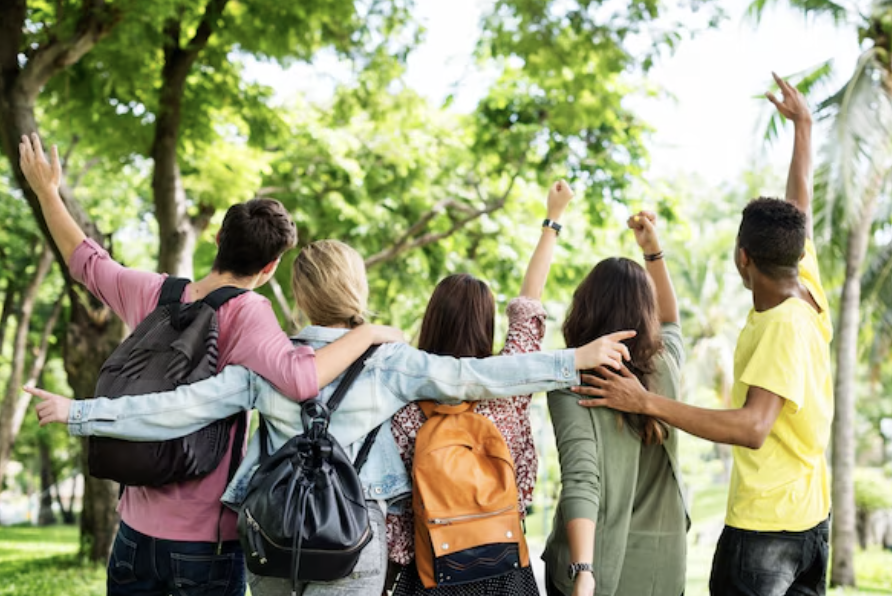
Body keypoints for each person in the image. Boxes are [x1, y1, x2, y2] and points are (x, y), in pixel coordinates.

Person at [29, 238, 636, 596]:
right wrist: (572, 360)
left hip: (271, 535)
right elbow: (477, 375)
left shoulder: (268, 362)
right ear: (357, 288)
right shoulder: (390, 362)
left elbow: (177, 409)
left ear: (298, 297)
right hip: (355, 543)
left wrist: (80, 412)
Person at [18, 133, 402, 596]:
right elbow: (302, 379)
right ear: (271, 267)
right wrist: (370, 332)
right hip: (204, 543)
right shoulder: (249, 313)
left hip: (133, 534)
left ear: (218, 238)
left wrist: (47, 192)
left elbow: (86, 261)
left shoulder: (153, 293)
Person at [574, 74, 833, 596]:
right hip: (811, 520)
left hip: (767, 533)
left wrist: (646, 402)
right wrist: (804, 128)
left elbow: (753, 426)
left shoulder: (783, 325)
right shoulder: (804, 285)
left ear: (743, 259)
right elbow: (798, 207)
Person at [387, 180, 574, 596]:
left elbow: (397, 513)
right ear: (485, 325)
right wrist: (553, 220)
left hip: (432, 572)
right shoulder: (508, 386)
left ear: (431, 320)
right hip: (504, 566)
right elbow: (529, 306)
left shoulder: (401, 399)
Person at [542, 210, 688, 596]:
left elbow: (581, 480)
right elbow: (671, 320)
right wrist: (653, 252)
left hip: (596, 571)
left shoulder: (571, 378)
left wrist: (583, 571)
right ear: (646, 312)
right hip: (662, 570)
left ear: (585, 305)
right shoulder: (666, 365)